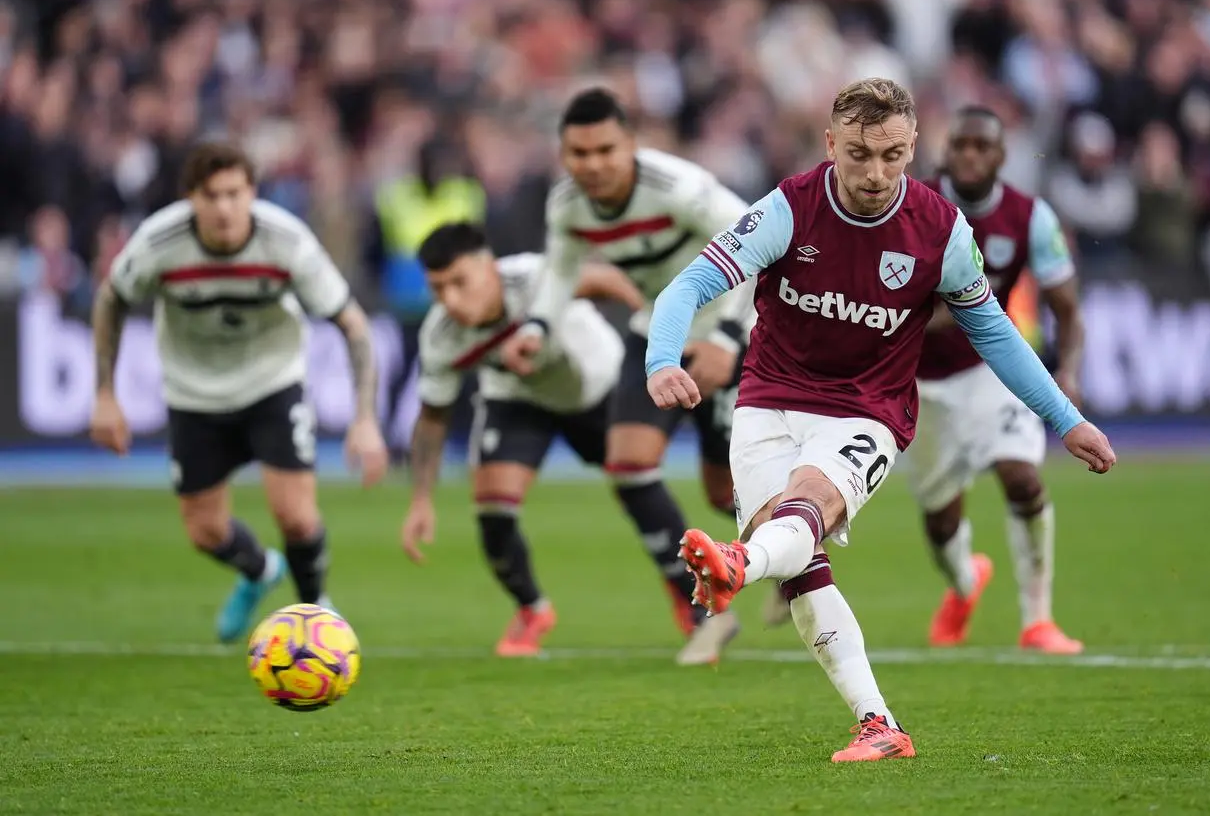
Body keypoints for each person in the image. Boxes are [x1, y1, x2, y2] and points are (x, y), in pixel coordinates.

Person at [644, 78, 1115, 762]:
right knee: (801, 565)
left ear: (914, 147)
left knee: (799, 514)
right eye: (860, 153)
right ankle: (878, 724)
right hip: (768, 400)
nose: (876, 172)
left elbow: (996, 333)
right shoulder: (788, 208)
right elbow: (689, 284)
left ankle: (737, 566)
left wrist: (1066, 418)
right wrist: (662, 359)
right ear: (832, 143)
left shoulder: (942, 229)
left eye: (893, 154)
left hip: (868, 409)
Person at [89, 141, 389, 643]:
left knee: (295, 514)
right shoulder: (159, 243)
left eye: (234, 193)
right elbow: (110, 300)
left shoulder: (286, 241)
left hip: (273, 383)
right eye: (212, 196)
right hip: (193, 395)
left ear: (252, 192)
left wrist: (364, 418)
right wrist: (104, 394)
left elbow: (354, 325)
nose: (225, 207)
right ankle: (258, 571)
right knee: (204, 531)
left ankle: (315, 612)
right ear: (191, 199)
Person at [398, 223, 730, 663]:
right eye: (438, 289)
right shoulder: (440, 337)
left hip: (597, 388)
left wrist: (657, 340)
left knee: (635, 482)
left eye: (460, 282)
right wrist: (421, 499)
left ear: (489, 268)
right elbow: (432, 417)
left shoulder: (536, 279)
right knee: (493, 503)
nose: (451, 301)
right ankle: (532, 609)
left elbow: (608, 278)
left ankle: (689, 600)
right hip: (519, 399)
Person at [500, 88, 756, 645]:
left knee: (725, 492)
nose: (591, 165)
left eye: (604, 151)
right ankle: (704, 612)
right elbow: (560, 274)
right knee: (628, 464)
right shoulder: (567, 203)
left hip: (732, 328)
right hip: (660, 332)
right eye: (578, 154)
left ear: (631, 146)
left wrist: (732, 337)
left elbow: (759, 246)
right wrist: (536, 329)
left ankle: (794, 559)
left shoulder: (678, 187)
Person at [899, 106, 1086, 654]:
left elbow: (1068, 310)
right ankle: (965, 582)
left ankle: (1038, 620)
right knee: (940, 519)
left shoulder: (1032, 218)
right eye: (962, 145)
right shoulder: (910, 205)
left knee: (1022, 478)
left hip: (989, 370)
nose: (971, 155)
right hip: (915, 384)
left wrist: (1067, 370)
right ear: (945, 150)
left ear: (1001, 157)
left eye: (983, 147)